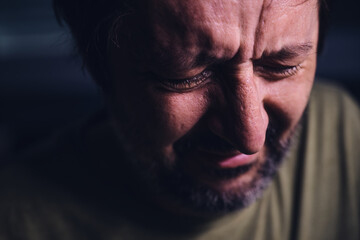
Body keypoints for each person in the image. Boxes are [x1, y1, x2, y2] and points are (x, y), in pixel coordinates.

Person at [0, 0, 359, 239]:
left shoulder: (342, 131)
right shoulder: (15, 218)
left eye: (282, 66)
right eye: (185, 77)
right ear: (101, 69)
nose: (250, 135)